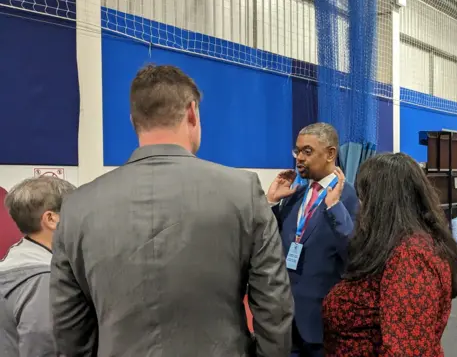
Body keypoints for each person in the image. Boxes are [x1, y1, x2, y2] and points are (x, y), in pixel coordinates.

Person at [49, 65, 294, 356]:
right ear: (192, 113)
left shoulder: (78, 206)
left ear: (134, 120)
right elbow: (273, 307)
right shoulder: (244, 192)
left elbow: (68, 326)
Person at [322, 153, 457, 357]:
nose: (361, 207)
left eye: (364, 199)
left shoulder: (410, 257)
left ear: (381, 203)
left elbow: (407, 350)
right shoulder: (399, 245)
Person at [267, 122, 359, 357]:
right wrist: (269, 203)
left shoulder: (349, 199)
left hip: (324, 324)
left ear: (330, 154)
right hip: (286, 318)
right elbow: (267, 243)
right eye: (297, 151)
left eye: (307, 151)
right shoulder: (292, 195)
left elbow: (355, 256)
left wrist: (335, 208)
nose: (299, 158)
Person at [0, 177, 75, 357]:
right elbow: (44, 349)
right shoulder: (42, 280)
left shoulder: (13, 264)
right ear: (50, 219)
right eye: (76, 212)